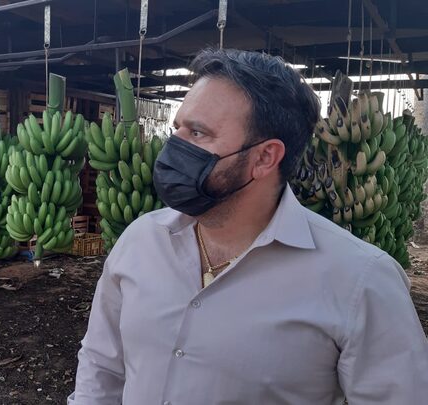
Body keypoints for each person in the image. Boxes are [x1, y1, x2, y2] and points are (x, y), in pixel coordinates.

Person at [68, 48, 428, 405]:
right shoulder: (140, 241)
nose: (174, 146)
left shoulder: (360, 281)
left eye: (198, 133)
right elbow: (102, 365)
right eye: (177, 127)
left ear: (265, 157)